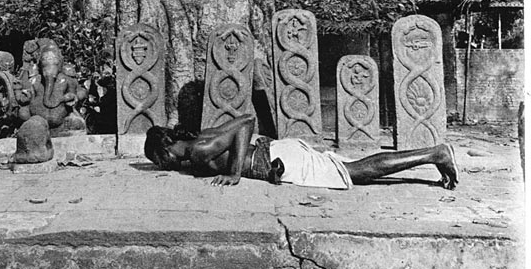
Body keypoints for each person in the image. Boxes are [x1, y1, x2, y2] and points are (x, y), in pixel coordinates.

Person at [144, 114, 458, 190]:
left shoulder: (199, 149)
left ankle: (435, 154)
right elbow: (241, 123)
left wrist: (235, 172)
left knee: (356, 172)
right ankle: (433, 155)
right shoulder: (199, 142)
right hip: (276, 154)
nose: (166, 166)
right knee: (348, 166)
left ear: (168, 146)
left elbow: (246, 124)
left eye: (162, 160)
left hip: (277, 159)